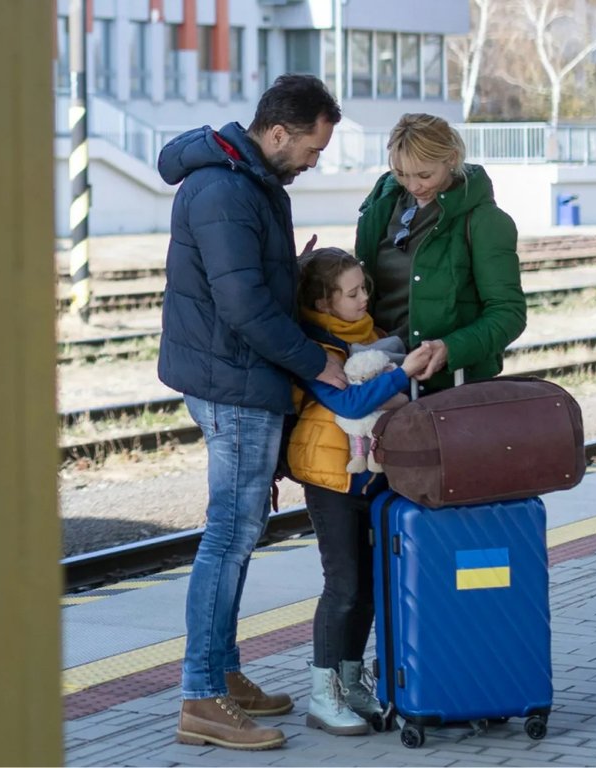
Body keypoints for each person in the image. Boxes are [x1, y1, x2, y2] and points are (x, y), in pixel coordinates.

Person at [157, 74, 345, 752]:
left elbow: (241, 282)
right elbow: (242, 308)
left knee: (237, 533)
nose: (313, 161)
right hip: (233, 381)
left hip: (233, 373)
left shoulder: (248, 182)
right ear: (278, 133)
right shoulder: (227, 190)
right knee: (229, 537)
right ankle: (201, 697)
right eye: (312, 149)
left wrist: (285, 272)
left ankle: (223, 673)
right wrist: (316, 362)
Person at [285, 247, 432, 736]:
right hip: (331, 479)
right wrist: (400, 375)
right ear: (324, 303)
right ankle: (321, 694)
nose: (364, 298)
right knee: (344, 586)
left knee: (369, 587)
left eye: (364, 288)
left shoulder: (370, 336)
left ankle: (350, 684)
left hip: (372, 477)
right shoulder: (316, 349)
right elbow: (347, 402)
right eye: (352, 294)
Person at [354, 113, 527, 390]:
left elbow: (508, 313)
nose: (413, 186)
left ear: (452, 159)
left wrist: (450, 348)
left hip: (449, 385)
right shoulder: (382, 207)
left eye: (425, 175)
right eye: (402, 174)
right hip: (382, 378)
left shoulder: (485, 221)